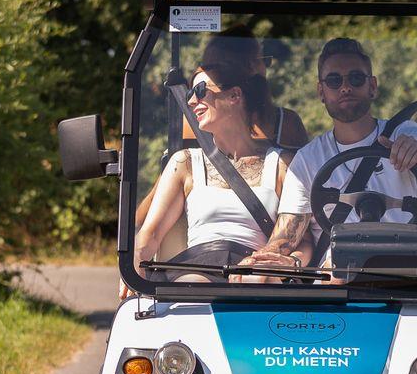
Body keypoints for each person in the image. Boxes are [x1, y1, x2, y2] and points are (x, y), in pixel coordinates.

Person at [246, 38, 417, 272]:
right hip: (336, 279)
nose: (345, 87)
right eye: (334, 80)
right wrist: (257, 262)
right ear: (321, 91)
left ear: (372, 86)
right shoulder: (308, 160)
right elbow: (287, 235)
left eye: (356, 78)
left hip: (402, 272)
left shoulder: (404, 133)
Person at [121, 59, 297, 299]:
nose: (191, 101)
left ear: (234, 95)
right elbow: (149, 235)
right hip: (197, 269)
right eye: (190, 94)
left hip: (255, 271)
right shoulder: (185, 163)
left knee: (257, 283)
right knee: (193, 287)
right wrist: (133, 263)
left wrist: (287, 264)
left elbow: (301, 239)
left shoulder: (282, 164)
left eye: (200, 90)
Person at [133, 27, 306, 230]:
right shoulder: (196, 124)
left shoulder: (286, 125)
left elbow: (303, 196)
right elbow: (151, 209)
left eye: (210, 69)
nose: (194, 100)